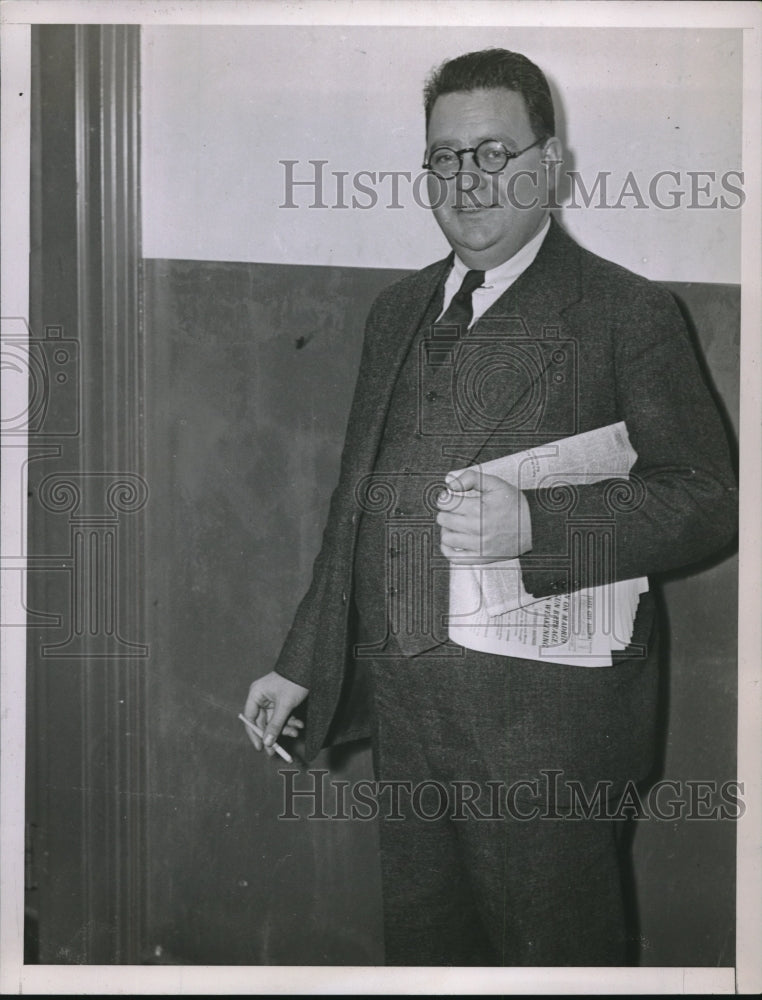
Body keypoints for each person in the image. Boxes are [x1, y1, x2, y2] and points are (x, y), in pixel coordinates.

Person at [243, 48, 737, 966]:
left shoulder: (627, 312)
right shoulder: (396, 312)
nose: (467, 180)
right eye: (444, 157)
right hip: (409, 709)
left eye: (494, 152)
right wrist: (302, 662)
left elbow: (709, 501)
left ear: (552, 165)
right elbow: (356, 506)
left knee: (554, 967)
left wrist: (539, 530)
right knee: (431, 964)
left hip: (547, 735)